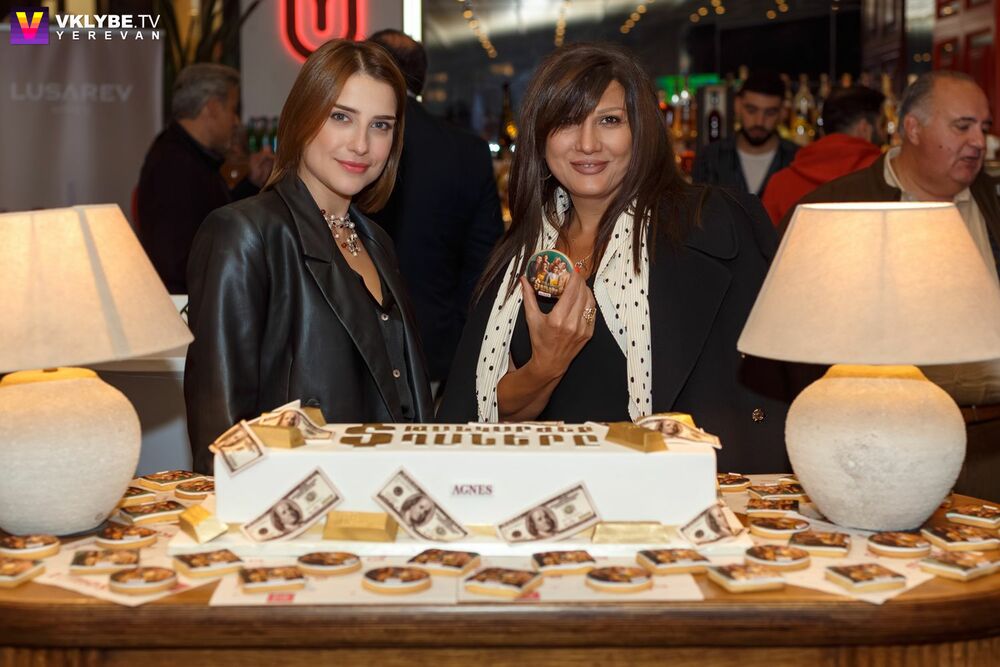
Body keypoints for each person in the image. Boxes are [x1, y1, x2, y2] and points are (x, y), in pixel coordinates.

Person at [438, 43, 795, 474]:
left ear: (640, 131)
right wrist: (547, 364)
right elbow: (490, 415)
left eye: (609, 121)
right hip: (557, 495)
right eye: (567, 121)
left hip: (683, 492)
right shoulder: (518, 258)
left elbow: (782, 379)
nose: (588, 143)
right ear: (541, 137)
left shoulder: (715, 227)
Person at [184, 40, 433, 474]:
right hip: (298, 502)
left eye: (380, 126)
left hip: (388, 495)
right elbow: (220, 437)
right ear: (303, 116)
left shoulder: (375, 241)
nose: (361, 144)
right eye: (341, 117)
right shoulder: (243, 234)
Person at [782, 71, 999, 499]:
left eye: (984, 127)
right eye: (962, 126)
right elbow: (791, 339)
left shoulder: (991, 200)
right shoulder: (837, 208)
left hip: (990, 440)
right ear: (912, 128)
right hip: (885, 448)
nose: (979, 141)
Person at [367, 30, 504, 390]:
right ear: (422, 79)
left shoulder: (348, 147)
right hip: (436, 349)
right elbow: (485, 263)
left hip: (355, 348)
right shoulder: (467, 152)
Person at [137, 64, 274, 293]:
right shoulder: (173, 165)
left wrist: (251, 183)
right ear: (212, 108)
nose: (236, 121)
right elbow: (176, 261)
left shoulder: (189, 156)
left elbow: (216, 216)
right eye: (233, 109)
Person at [761, 86, 885, 226]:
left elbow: (763, 238)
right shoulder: (885, 177)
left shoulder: (780, 183)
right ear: (865, 129)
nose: (883, 134)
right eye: (881, 125)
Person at [691, 71, 799, 197]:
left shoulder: (797, 160)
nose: (759, 121)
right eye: (751, 110)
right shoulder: (710, 158)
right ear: (737, 105)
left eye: (770, 113)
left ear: (782, 113)